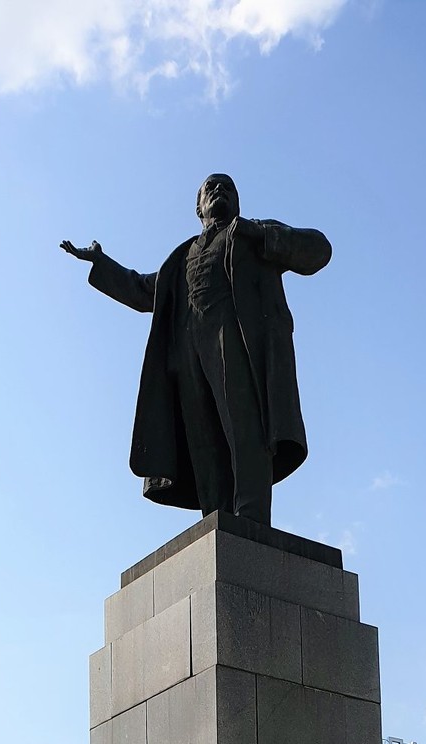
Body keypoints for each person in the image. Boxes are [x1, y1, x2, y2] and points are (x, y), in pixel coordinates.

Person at [61, 174, 331, 525]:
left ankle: (250, 520)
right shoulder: (183, 257)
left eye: (228, 187)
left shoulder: (252, 234)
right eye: (211, 188)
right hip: (188, 353)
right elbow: (145, 291)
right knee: (203, 438)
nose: (219, 190)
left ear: (237, 202)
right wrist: (102, 263)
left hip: (237, 340)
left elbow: (318, 250)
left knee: (245, 426)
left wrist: (264, 235)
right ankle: (216, 518)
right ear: (198, 207)